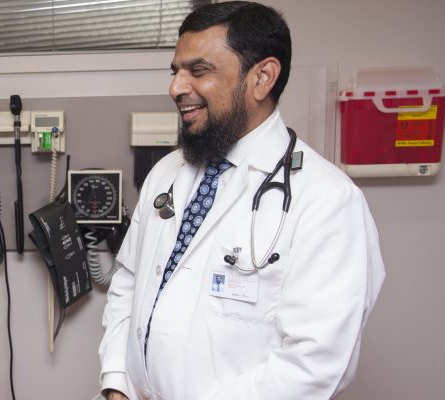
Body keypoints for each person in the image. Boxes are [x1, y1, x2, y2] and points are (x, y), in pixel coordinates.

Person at [98, 2, 385, 399]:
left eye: (198, 71)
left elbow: (313, 364)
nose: (176, 88)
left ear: (262, 78)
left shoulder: (327, 201)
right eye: (176, 71)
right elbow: (128, 281)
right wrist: (117, 383)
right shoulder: (166, 173)